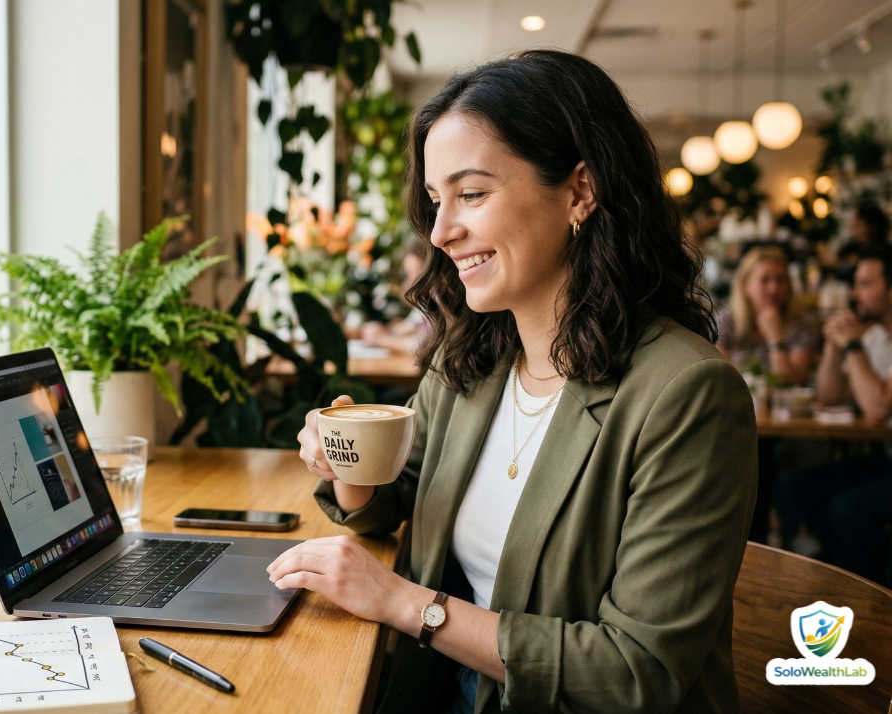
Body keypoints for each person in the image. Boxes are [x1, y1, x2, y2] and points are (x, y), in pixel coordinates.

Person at [275, 50, 756, 714]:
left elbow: (635, 671)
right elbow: (397, 499)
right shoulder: (473, 358)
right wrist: (348, 459)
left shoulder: (688, 394)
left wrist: (406, 604)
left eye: (471, 194)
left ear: (580, 192)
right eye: (436, 201)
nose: (441, 232)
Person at [774, 244, 892, 584]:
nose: (854, 294)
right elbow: (829, 397)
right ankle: (842, 574)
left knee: (847, 509)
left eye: (865, 284)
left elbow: (876, 408)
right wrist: (833, 345)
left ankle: (870, 588)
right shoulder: (876, 336)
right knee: (792, 488)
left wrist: (852, 346)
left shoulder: (867, 339)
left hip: (885, 458)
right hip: (883, 457)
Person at [716, 246, 820, 386]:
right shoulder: (726, 320)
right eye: (764, 280)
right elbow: (719, 378)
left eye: (781, 280)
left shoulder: (803, 323)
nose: (774, 289)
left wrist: (775, 339)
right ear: (745, 286)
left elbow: (793, 383)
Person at [359, 242, 428, 355]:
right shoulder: (426, 303)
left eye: (413, 272)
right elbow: (409, 326)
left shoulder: (439, 302)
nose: (410, 280)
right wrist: (387, 330)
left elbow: (423, 346)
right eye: (407, 273)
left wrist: (380, 340)